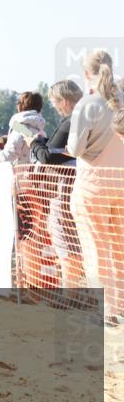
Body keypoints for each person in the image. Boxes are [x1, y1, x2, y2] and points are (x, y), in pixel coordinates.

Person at [66, 50, 124, 324]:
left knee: (96, 249)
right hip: (121, 181)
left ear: (87, 74)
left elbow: (75, 148)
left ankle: (107, 311)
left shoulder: (87, 105)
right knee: (120, 248)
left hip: (93, 186)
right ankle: (120, 306)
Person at [0, 92, 45, 166]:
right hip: (34, 172)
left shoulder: (20, 128)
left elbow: (8, 155)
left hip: (20, 172)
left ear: (20, 106)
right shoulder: (41, 131)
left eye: (18, 102)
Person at [31, 80, 83, 165]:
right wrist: (43, 141)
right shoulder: (86, 118)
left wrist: (33, 143)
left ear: (64, 102)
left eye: (53, 102)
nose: (53, 106)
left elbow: (48, 157)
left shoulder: (70, 122)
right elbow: (60, 149)